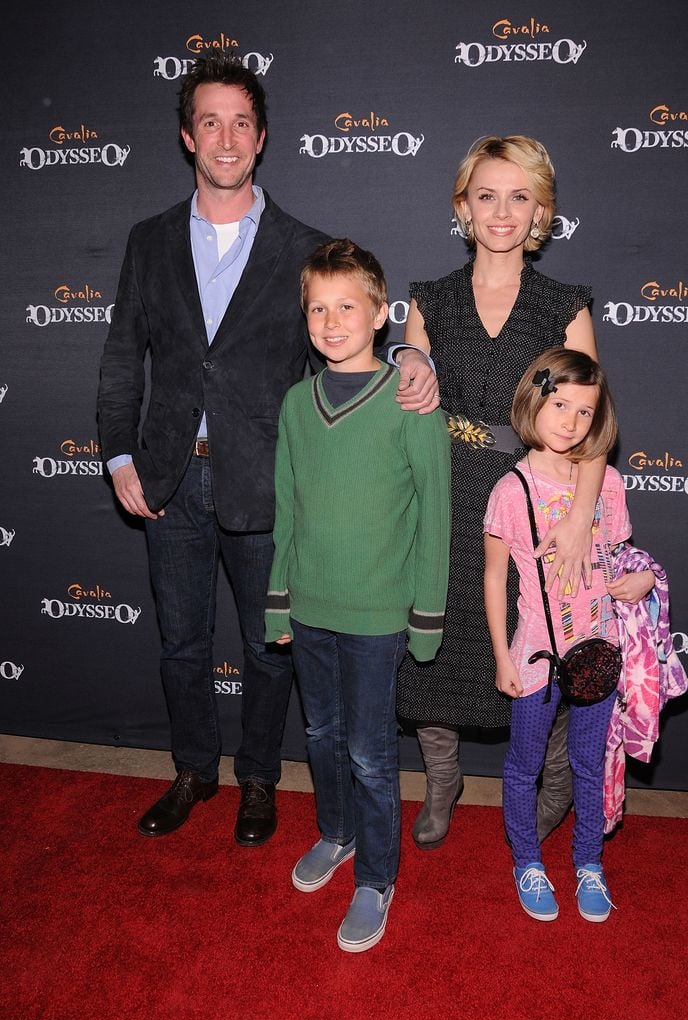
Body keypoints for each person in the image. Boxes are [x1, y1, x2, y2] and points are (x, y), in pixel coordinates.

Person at [96, 51, 436, 845]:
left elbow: (348, 330)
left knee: (267, 643)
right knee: (180, 641)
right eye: (209, 121)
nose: (225, 137)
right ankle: (191, 771)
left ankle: (257, 778)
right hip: (167, 478)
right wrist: (118, 457)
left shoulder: (305, 246)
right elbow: (121, 358)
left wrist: (410, 356)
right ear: (188, 136)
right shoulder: (147, 242)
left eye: (241, 122)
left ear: (261, 137)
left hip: (268, 481)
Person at [394, 135, 605, 850]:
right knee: (435, 644)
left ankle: (554, 783)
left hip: (537, 499)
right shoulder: (431, 300)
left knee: (540, 641)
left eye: (521, 196)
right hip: (446, 494)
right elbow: (409, 412)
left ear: (542, 210)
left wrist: (579, 519)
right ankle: (442, 776)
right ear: (463, 206)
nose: (503, 211)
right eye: (487, 195)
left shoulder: (563, 306)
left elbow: (593, 425)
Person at [265, 239, 450, 952]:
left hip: (379, 618)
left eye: (347, 306)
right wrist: (278, 600)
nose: (332, 321)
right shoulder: (294, 404)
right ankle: (336, 833)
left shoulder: (411, 402)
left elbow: (435, 516)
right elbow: (288, 509)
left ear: (381, 315)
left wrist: (425, 619)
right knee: (318, 735)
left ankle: (376, 875)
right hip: (310, 609)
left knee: (372, 754)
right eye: (318, 308)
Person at [483, 347, 654, 922]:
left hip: (598, 648)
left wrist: (637, 579)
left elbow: (621, 555)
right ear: (534, 401)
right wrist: (502, 653)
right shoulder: (511, 491)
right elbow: (492, 574)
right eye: (560, 405)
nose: (571, 422)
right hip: (534, 653)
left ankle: (588, 864)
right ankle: (527, 861)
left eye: (585, 412)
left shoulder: (607, 485)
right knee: (525, 763)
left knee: (588, 762)